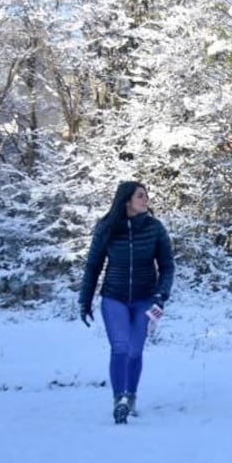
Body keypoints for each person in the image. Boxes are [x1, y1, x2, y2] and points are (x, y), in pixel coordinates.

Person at [79, 181, 175, 424]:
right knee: (120, 347)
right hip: (114, 297)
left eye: (146, 195)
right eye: (140, 196)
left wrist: (160, 295)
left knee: (135, 349)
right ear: (127, 200)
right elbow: (93, 265)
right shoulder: (107, 227)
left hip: (146, 299)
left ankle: (130, 397)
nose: (146, 200)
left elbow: (167, 266)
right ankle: (119, 399)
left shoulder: (155, 228)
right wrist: (85, 299)